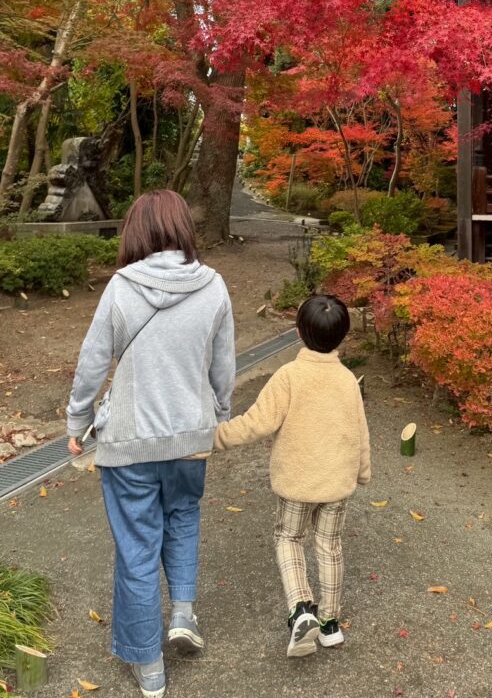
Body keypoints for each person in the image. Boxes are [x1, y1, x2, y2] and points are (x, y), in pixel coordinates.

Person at [67, 190, 235, 698]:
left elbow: (93, 363)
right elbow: (223, 366)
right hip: (190, 439)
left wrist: (78, 422)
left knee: (138, 550)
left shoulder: (121, 287)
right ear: (183, 227)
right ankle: (182, 613)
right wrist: (218, 417)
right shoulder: (214, 286)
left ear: (136, 230)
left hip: (130, 444)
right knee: (183, 518)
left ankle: (150, 669)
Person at [215, 293, 370, 658]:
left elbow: (257, 423)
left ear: (299, 332)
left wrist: (215, 437)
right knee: (329, 546)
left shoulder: (288, 376)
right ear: (343, 335)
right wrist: (363, 471)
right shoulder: (347, 379)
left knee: (289, 537)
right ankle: (330, 625)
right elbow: (360, 430)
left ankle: (301, 609)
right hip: (336, 482)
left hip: (297, 481)